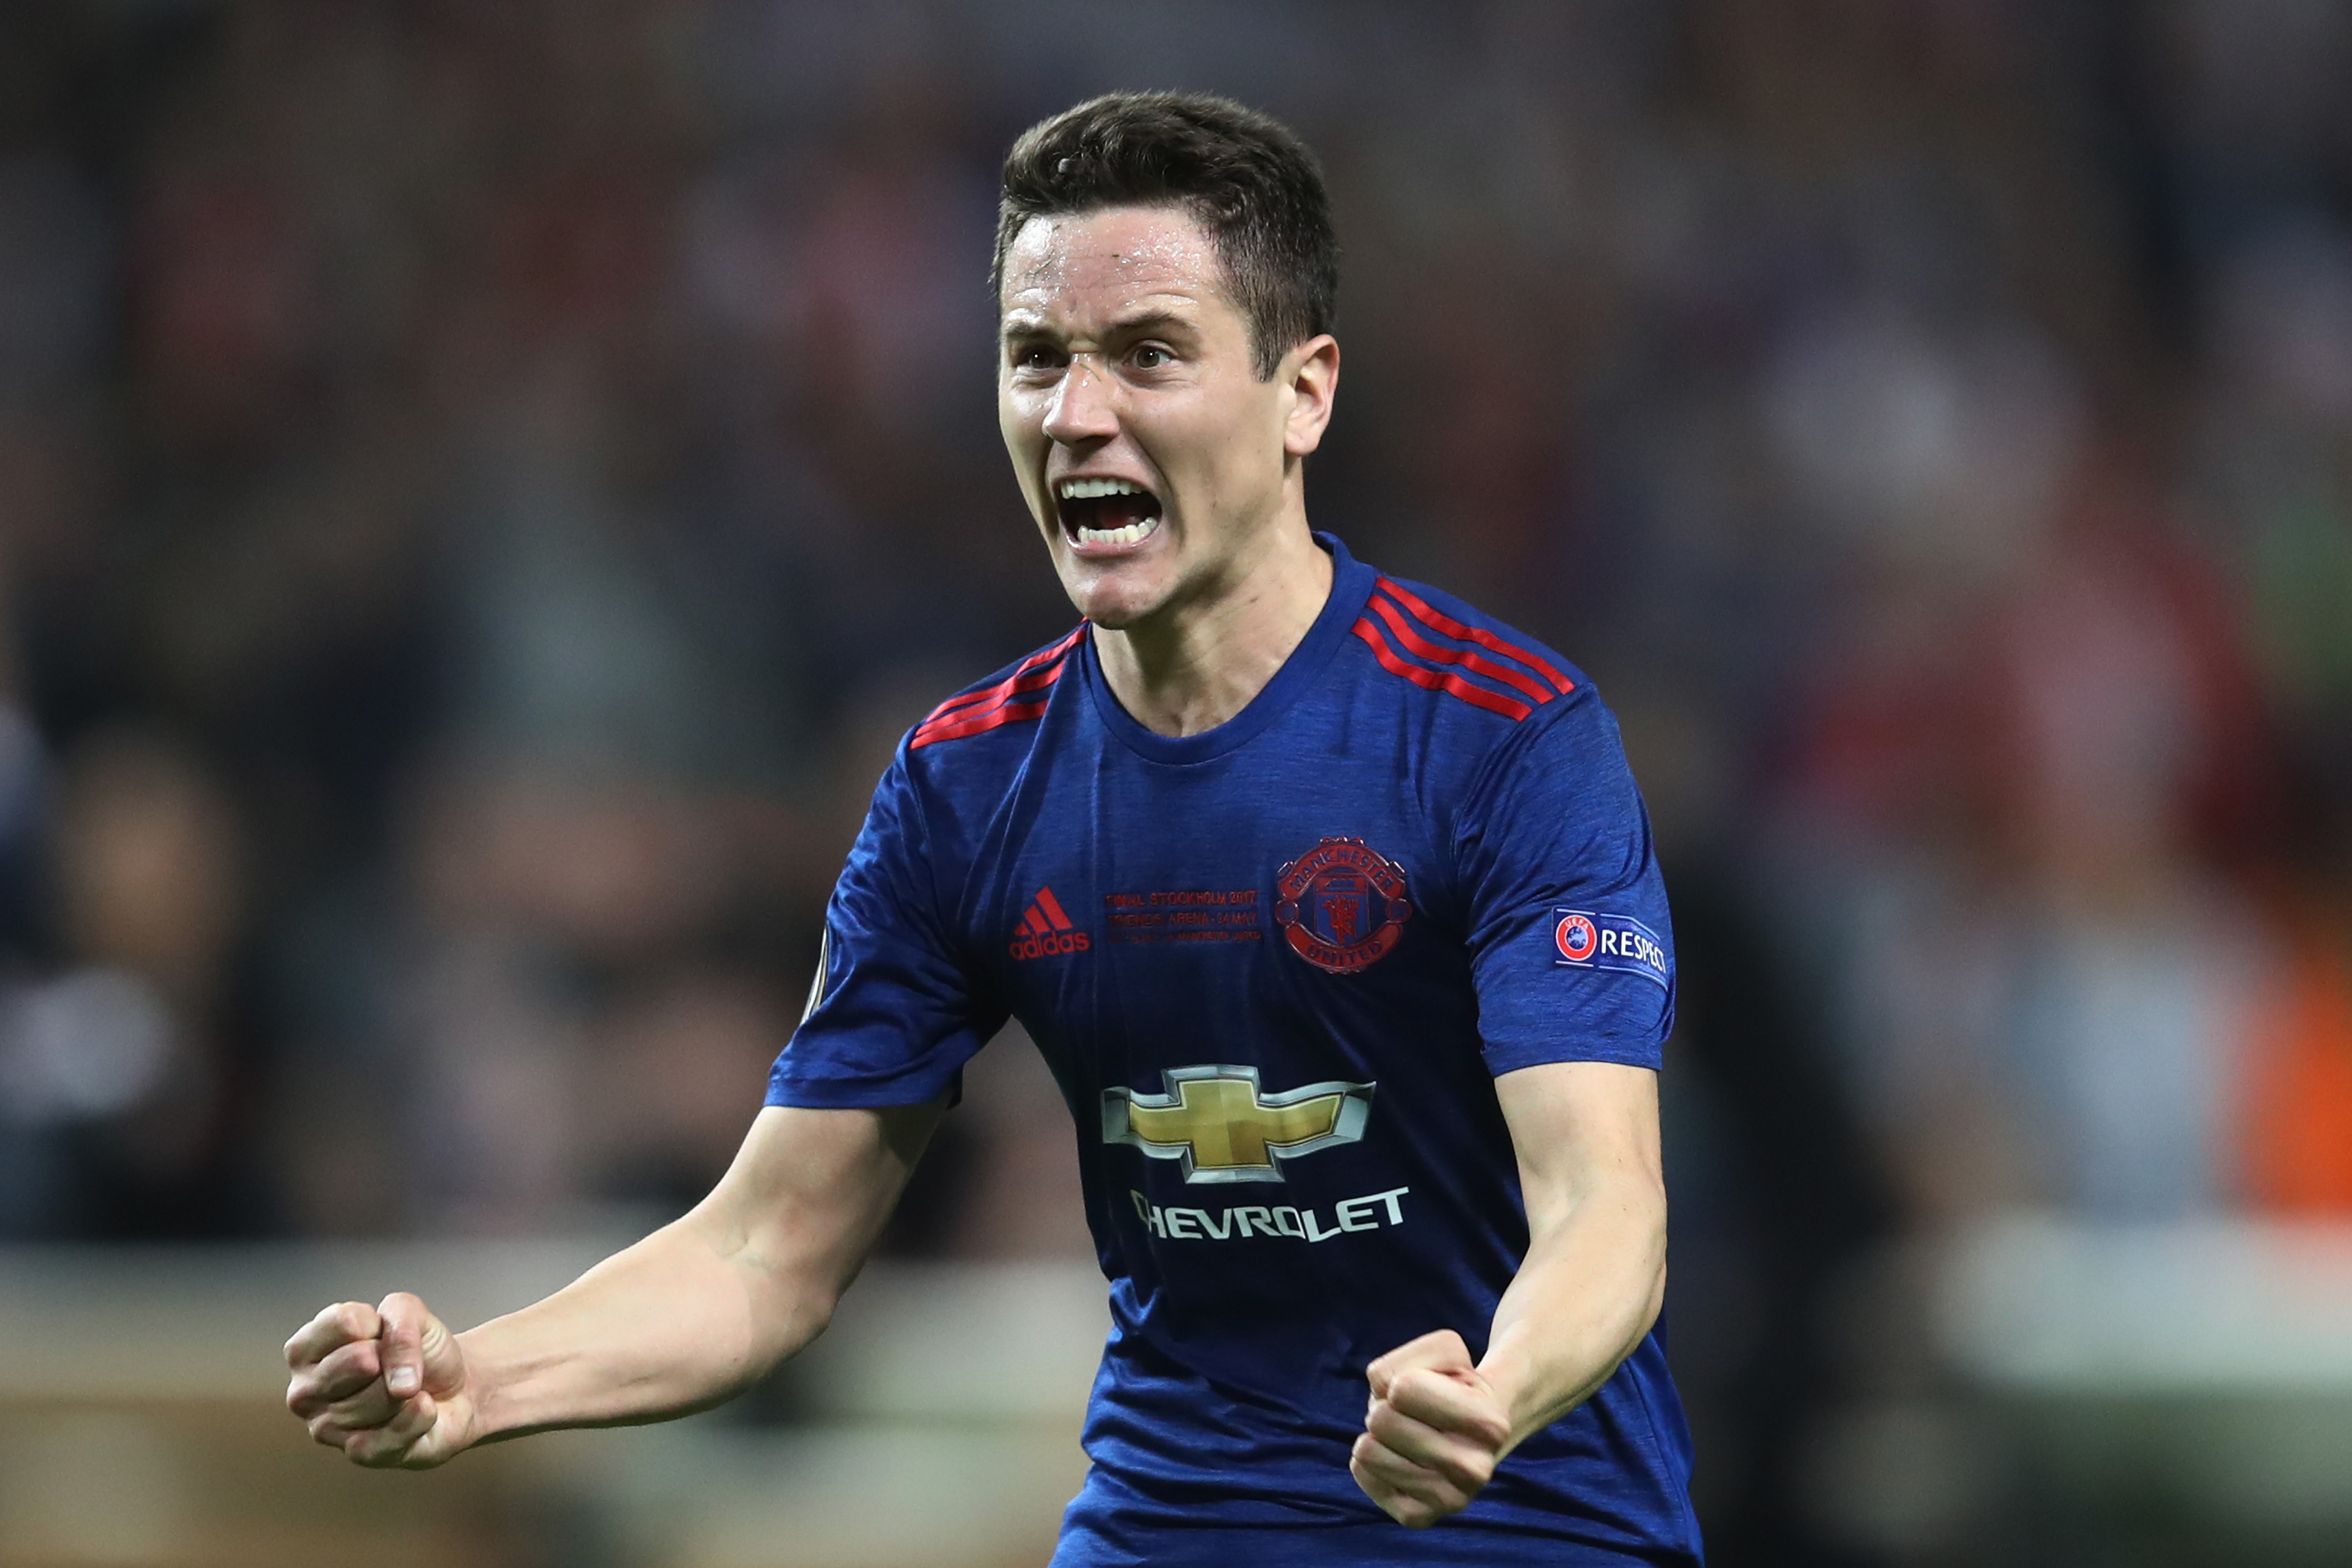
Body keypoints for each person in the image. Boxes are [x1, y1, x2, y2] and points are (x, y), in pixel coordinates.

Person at [285, 91, 1701, 1565]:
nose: (1079, 413)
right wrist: (479, 1379)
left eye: (1148, 354)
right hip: (1172, 1528)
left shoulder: (1503, 735)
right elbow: (769, 1250)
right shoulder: (967, 786)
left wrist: (1497, 1389)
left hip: (1525, 1529)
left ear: (1305, 394)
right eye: (1039, 359)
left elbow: (1607, 1204)